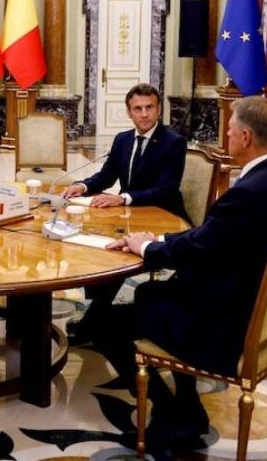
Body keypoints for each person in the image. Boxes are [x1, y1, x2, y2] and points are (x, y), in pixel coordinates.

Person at [95, 97, 267, 454]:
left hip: (226, 325)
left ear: (245, 136)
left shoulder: (247, 193)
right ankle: (186, 406)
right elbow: (214, 237)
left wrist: (146, 249)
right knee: (154, 295)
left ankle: (176, 414)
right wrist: (159, 240)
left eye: (230, 129)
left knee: (106, 324)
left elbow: (200, 247)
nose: (226, 134)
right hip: (260, 313)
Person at [60, 83, 187, 343]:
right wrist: (82, 186)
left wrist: (123, 197)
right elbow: (106, 176)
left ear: (159, 110)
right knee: (93, 241)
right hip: (128, 215)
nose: (144, 114)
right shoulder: (123, 140)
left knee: (115, 253)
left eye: (149, 107)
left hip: (163, 216)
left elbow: (166, 189)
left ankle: (90, 326)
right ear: (129, 112)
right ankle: (97, 311)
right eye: (137, 109)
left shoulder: (173, 142)